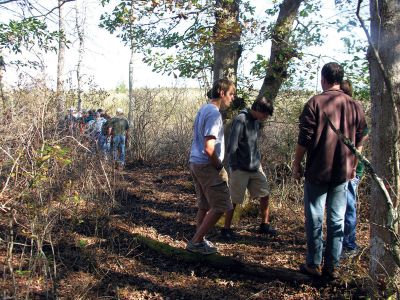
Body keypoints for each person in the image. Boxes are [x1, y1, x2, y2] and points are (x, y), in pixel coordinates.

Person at [291, 62, 367, 279]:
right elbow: (362, 135)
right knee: (337, 219)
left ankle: (314, 264)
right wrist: (354, 161)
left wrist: (297, 164)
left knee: (315, 217)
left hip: (318, 170)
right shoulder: (354, 105)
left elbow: (304, 138)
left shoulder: (315, 102)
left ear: (323, 79)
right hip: (343, 172)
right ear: (339, 79)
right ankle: (332, 266)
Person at [186, 78, 235, 255]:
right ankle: (196, 242)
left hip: (196, 162)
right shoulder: (214, 113)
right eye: (231, 94)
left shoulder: (204, 109)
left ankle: (200, 240)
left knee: (205, 205)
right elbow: (209, 148)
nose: (233, 98)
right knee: (221, 205)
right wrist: (219, 166)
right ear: (222, 93)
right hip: (207, 165)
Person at [221, 97, 277, 240]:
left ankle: (264, 225)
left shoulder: (256, 122)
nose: (265, 118)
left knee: (265, 193)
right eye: (265, 114)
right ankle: (226, 229)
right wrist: (233, 168)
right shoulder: (241, 119)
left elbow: (253, 144)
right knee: (234, 199)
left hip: (255, 166)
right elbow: (232, 146)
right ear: (258, 109)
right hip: (240, 167)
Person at [340, 80, 369, 256]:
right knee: (340, 209)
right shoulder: (343, 111)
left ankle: (349, 245)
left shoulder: (355, 111)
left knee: (349, 207)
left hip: (351, 170)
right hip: (340, 168)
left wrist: (353, 166)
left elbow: (361, 142)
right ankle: (341, 242)